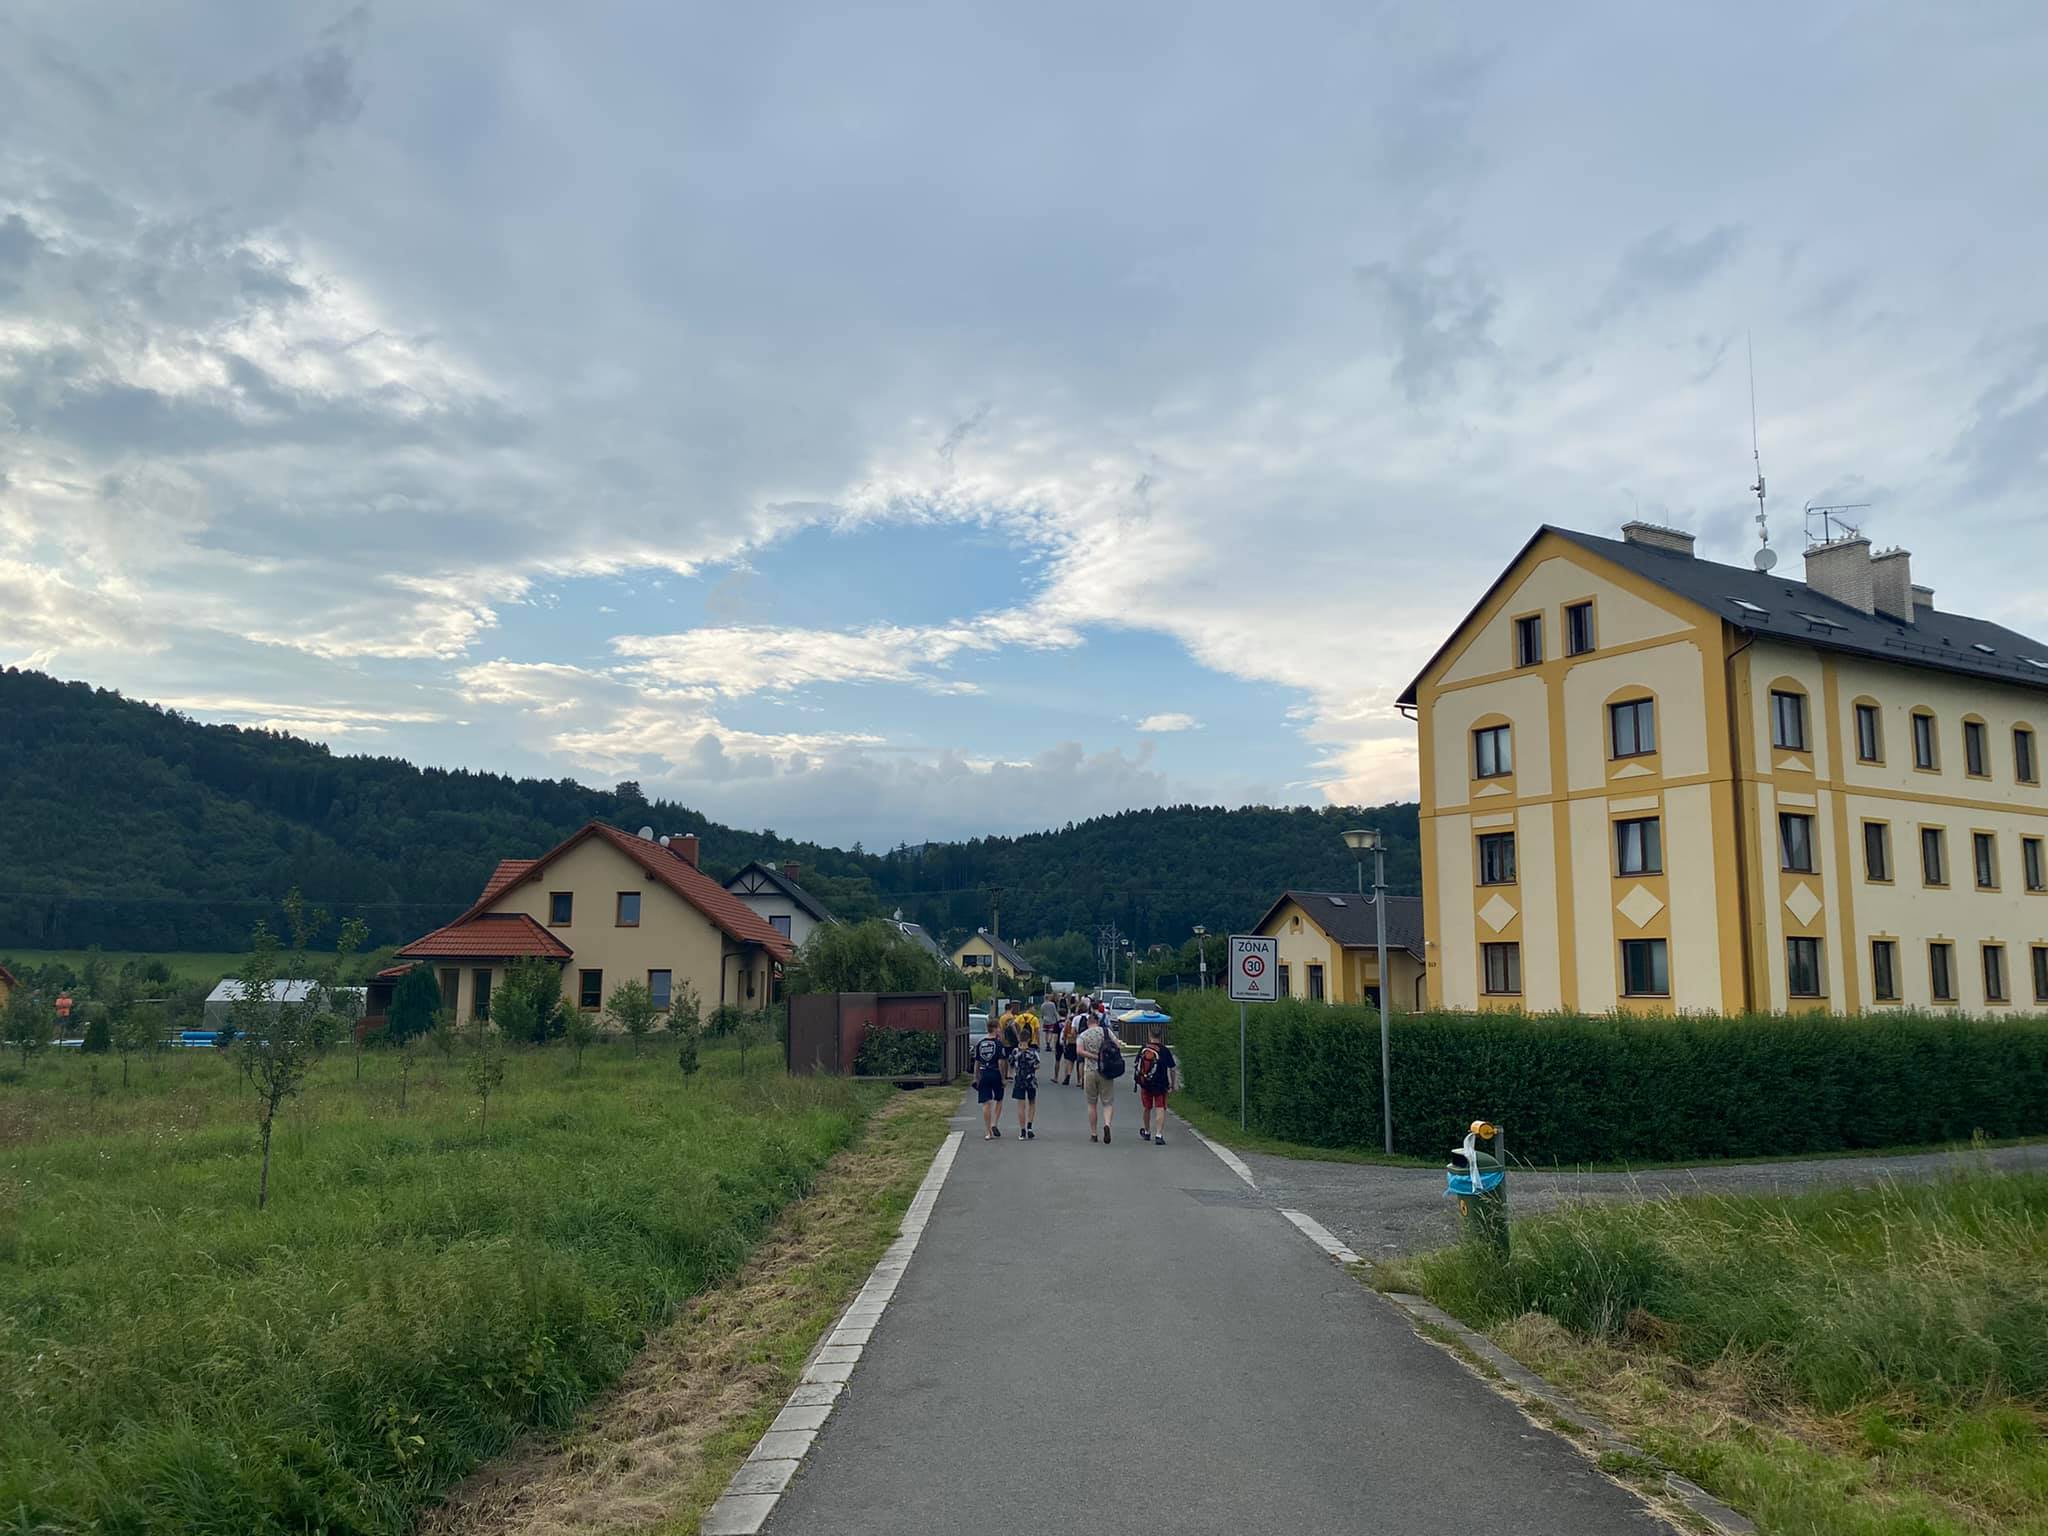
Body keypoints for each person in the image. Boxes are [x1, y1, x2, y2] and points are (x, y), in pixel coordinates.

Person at [1077, 1006, 1133, 1143]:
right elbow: (1118, 1045)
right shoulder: (1106, 1032)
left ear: (1088, 1023)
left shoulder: (1083, 1035)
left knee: (1092, 1103)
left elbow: (1079, 1051)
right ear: (1097, 1021)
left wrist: (1094, 1056)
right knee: (1107, 1102)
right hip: (1106, 1071)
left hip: (1090, 1070)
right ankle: (1107, 1124)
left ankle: (1094, 1133)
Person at [1133, 1024, 1178, 1145]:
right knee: (1160, 1108)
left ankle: (1147, 1131)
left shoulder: (1144, 1048)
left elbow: (1137, 1065)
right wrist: (1173, 1084)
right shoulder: (1165, 1050)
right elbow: (1172, 1068)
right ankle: (1159, 1134)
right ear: (1160, 1036)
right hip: (1161, 1084)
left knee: (1147, 1108)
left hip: (1146, 1083)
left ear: (1150, 1035)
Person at [972, 1015, 1007, 1139]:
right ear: (995, 1029)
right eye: (999, 1028)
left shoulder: (980, 1043)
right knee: (999, 1099)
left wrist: (976, 1077)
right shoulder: (998, 1044)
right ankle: (994, 1123)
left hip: (983, 1073)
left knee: (986, 1103)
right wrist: (1003, 1078)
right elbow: (1001, 1062)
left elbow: (977, 1062)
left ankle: (988, 1132)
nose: (1000, 1030)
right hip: (995, 1073)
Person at [1011, 1025, 1040, 1139]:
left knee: (1021, 1106)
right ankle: (1030, 1127)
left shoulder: (1015, 1051)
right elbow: (1037, 1065)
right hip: (1031, 1080)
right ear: (1029, 1039)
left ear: (1019, 1038)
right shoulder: (1033, 1052)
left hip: (1019, 1080)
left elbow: (1011, 1063)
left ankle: (1022, 1130)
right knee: (1032, 1103)